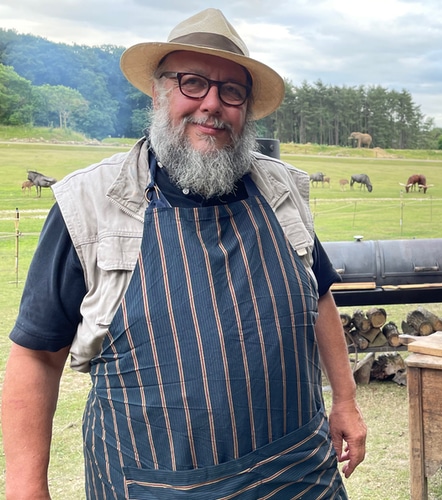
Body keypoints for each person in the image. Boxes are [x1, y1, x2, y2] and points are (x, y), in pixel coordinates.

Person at [2, 8, 366, 499]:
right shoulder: (88, 206)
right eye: (193, 83)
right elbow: (37, 355)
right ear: (159, 92)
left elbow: (318, 296)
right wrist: (27, 488)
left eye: (231, 91)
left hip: (297, 474)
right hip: (151, 484)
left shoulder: (282, 190)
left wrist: (344, 400)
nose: (212, 105)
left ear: (246, 107)